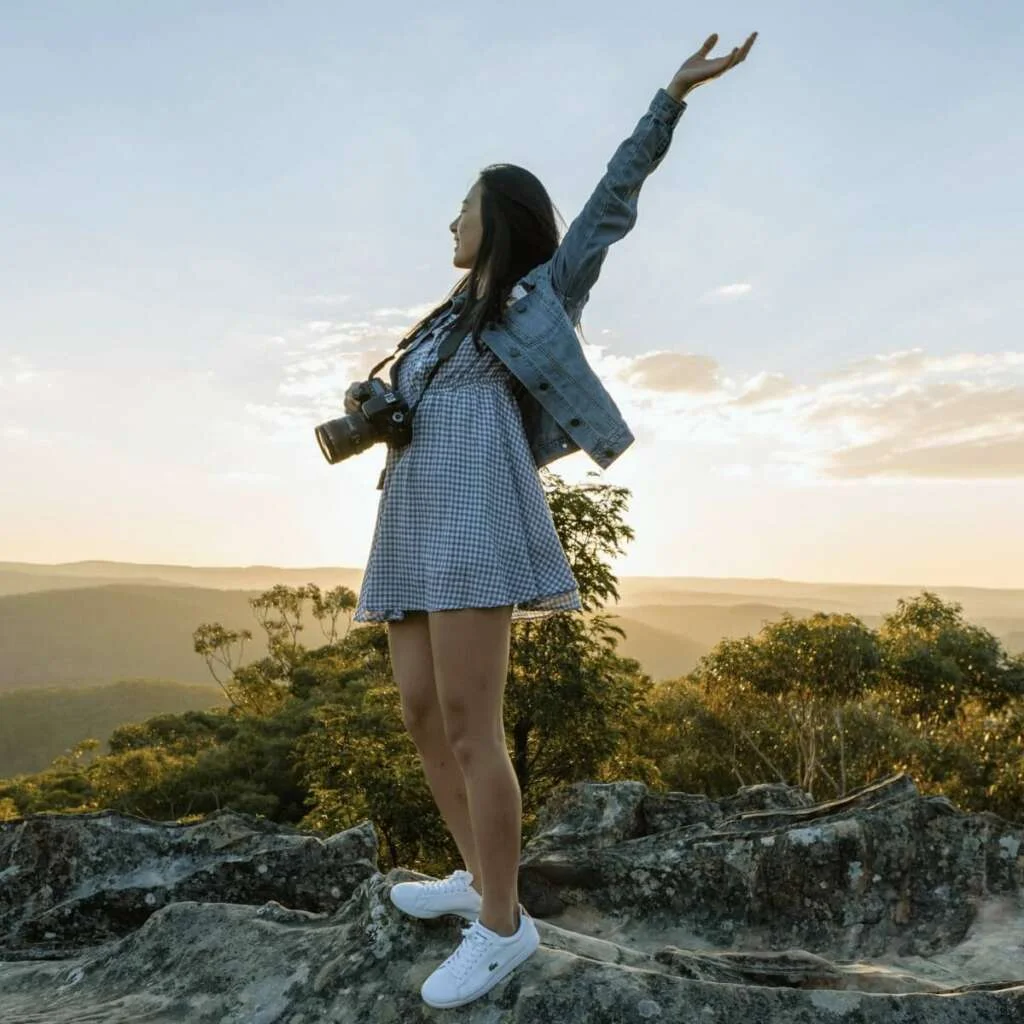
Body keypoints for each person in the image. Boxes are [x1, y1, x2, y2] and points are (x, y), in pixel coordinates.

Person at [347, 31, 757, 1010]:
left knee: (469, 723)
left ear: (499, 219)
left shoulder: (541, 296)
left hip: (481, 519)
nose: (448, 220)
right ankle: (475, 874)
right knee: (417, 713)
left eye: (460, 208)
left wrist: (670, 97)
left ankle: (502, 927)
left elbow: (613, 203)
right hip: (410, 517)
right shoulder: (442, 319)